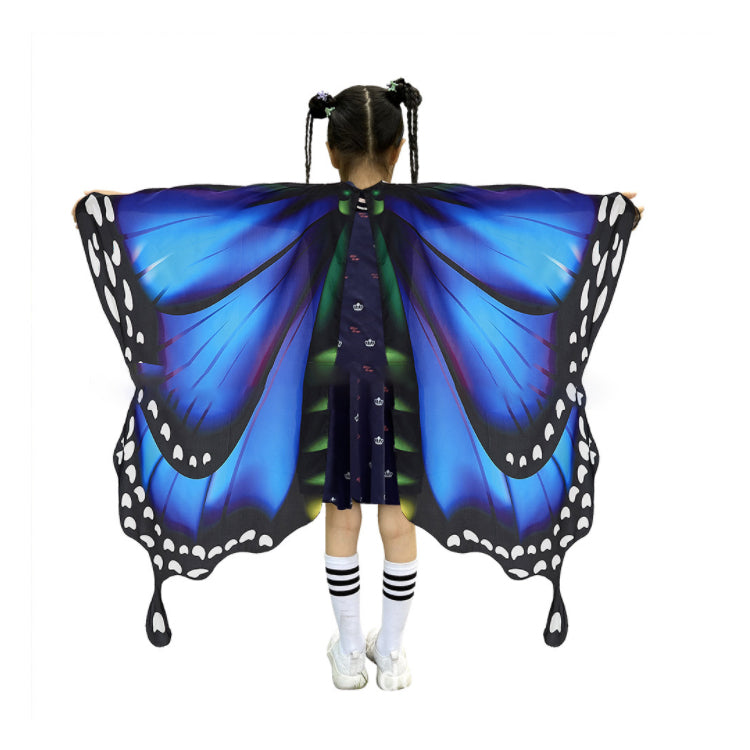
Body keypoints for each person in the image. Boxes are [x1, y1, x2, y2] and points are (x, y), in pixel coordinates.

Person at [71, 77, 644, 692]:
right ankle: (391, 655)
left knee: (341, 520)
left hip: (336, 400)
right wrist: (612, 215)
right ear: (399, 150)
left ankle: (348, 654)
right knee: (398, 522)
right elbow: (510, 219)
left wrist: (116, 214)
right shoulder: (432, 212)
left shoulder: (297, 211)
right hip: (403, 400)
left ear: (328, 151)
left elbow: (215, 217)